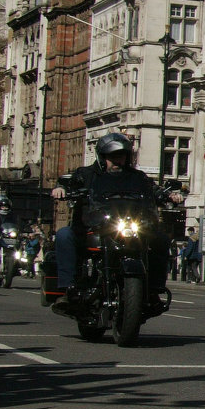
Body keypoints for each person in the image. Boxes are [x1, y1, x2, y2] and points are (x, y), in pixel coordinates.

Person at [51, 132, 175, 314]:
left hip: (128, 225)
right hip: (93, 226)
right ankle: (67, 289)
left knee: (161, 239)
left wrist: (168, 195)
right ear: (102, 157)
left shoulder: (137, 177)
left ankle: (154, 289)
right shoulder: (86, 174)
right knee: (64, 235)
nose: (117, 161)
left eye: (121, 156)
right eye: (113, 157)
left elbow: (153, 189)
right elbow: (71, 184)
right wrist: (61, 188)